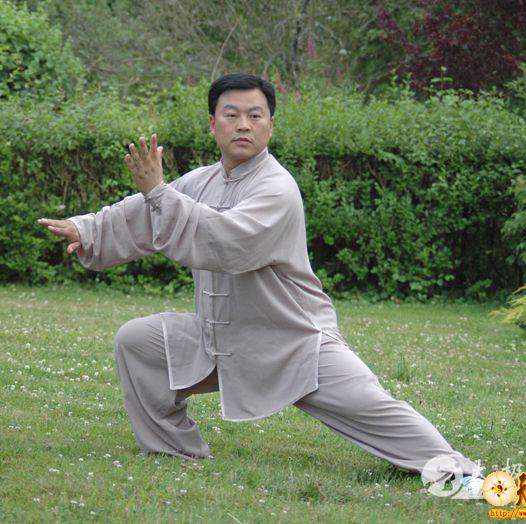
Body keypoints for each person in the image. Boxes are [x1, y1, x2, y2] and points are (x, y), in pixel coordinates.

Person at [38, 73, 484, 498]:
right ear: (213, 124)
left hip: (292, 338)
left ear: (271, 124)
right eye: (231, 115)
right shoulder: (201, 181)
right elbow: (143, 213)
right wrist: (87, 229)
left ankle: (458, 473)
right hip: (220, 337)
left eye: (255, 115)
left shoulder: (278, 188)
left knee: (372, 406)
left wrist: (159, 193)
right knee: (138, 341)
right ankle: (172, 449)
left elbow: (226, 242)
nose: (243, 125)